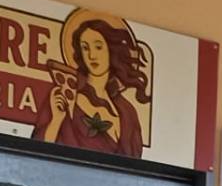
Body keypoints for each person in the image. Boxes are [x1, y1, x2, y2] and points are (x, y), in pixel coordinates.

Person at [35, 14, 149, 158]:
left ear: (111, 50)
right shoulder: (66, 96)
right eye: (85, 48)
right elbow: (37, 155)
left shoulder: (128, 112)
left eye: (98, 47)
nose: (91, 55)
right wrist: (56, 120)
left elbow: (136, 164)